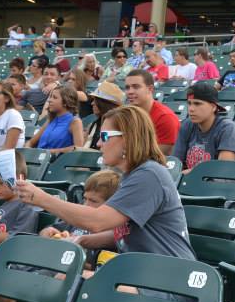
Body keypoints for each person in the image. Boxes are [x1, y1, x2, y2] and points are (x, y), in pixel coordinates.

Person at [18, 104, 195, 263]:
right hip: (144, 272)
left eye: (104, 136)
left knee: (66, 281)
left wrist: (41, 198)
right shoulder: (135, 175)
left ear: (127, 138)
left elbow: (98, 221)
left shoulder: (149, 175)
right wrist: (79, 240)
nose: (99, 143)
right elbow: (122, 232)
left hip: (169, 277)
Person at [39, 170, 121, 267]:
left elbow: (98, 271)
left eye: (93, 201)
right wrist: (46, 233)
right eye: (85, 199)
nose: (86, 205)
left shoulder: (114, 234)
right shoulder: (78, 220)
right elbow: (50, 231)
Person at [173, 82, 235, 171]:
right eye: (189, 103)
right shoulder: (186, 125)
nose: (191, 109)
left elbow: (223, 170)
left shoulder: (227, 128)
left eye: (197, 104)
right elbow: (176, 164)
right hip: (190, 182)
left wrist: (188, 174)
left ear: (213, 107)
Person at [0, 150, 41, 252]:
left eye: (0, 182)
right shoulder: (1, 206)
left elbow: (17, 239)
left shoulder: (27, 206)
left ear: (19, 178)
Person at [124, 69, 179, 155]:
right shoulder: (127, 114)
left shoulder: (165, 118)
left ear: (150, 89)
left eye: (136, 87)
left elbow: (159, 156)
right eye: (127, 87)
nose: (130, 92)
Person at [26, 86, 84, 154]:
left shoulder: (75, 122)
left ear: (66, 102)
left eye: (54, 97)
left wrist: (49, 152)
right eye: (50, 97)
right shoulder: (50, 120)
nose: (49, 100)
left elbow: (78, 148)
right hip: (39, 160)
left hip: (57, 162)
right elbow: (30, 142)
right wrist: (27, 149)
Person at [84, 82, 125, 149]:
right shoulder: (94, 125)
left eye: (95, 100)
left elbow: (105, 145)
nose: (92, 103)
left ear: (103, 104)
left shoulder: (115, 126)